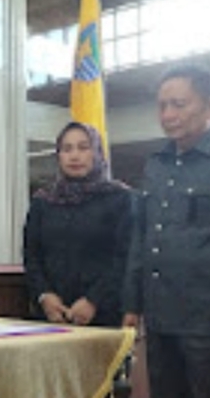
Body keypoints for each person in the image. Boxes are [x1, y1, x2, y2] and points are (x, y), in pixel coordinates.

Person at [122, 65, 210, 398]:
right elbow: (142, 239)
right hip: (161, 320)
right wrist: (132, 304)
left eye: (179, 104)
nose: (168, 115)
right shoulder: (156, 164)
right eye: (162, 106)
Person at [23, 122, 133, 327]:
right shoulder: (43, 201)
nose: (74, 156)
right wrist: (44, 295)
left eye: (83, 148)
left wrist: (94, 301)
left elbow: (125, 258)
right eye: (67, 149)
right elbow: (32, 256)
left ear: (97, 152)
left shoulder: (120, 199)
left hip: (104, 315)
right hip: (51, 316)